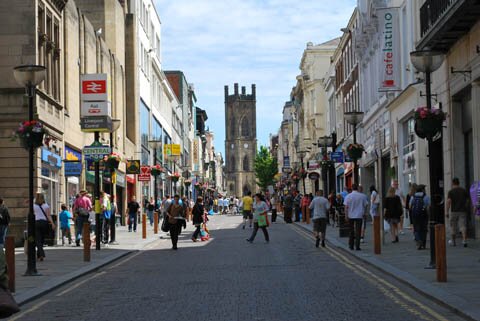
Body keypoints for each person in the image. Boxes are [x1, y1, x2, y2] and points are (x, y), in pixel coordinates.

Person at [446, 177, 470, 247]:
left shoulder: (451, 191)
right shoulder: (463, 190)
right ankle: (464, 240)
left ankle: (453, 242)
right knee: (463, 226)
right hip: (462, 211)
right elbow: (468, 200)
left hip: (454, 211)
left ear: (453, 183)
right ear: (458, 183)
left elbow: (448, 202)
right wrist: (466, 207)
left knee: (453, 226)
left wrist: (447, 211)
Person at [344, 184, 368, 251]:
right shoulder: (362, 196)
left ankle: (351, 245)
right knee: (358, 231)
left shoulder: (348, 196)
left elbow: (346, 207)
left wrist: (346, 215)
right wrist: (364, 213)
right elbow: (366, 205)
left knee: (351, 231)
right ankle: (357, 246)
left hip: (350, 215)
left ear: (351, 188)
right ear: (357, 188)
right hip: (359, 215)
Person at [34, 193, 55, 261]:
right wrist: (52, 223)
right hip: (44, 223)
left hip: (36, 223)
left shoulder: (34, 205)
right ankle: (39, 254)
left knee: (38, 239)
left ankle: (41, 254)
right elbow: (48, 215)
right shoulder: (46, 206)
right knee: (42, 239)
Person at [410, 184, 430, 250]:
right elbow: (429, 206)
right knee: (424, 229)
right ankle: (423, 244)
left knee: (416, 229)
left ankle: (418, 241)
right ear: (423, 190)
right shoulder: (426, 197)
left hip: (415, 215)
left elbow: (410, 206)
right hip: (424, 215)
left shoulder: (413, 197)